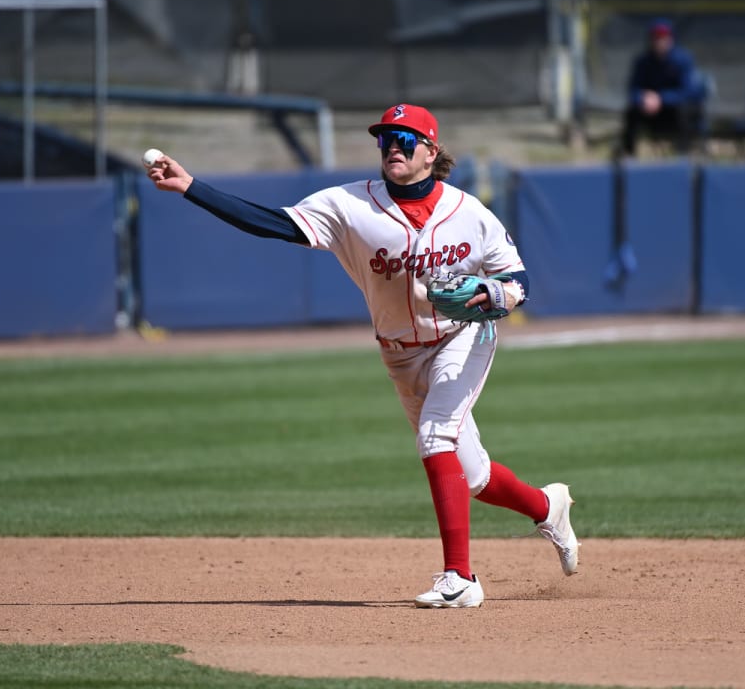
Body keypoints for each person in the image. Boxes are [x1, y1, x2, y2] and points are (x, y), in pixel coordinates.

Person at [144, 103, 580, 609]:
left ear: (431, 151)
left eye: (405, 139)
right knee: (473, 473)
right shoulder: (348, 206)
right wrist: (192, 187)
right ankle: (549, 508)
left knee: (436, 435)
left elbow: (518, 279)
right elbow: (272, 223)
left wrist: (496, 295)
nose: (393, 146)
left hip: (463, 337)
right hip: (400, 353)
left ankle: (460, 578)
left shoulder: (469, 212)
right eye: (385, 139)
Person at [620, 18, 709, 157]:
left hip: (677, 111)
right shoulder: (643, 62)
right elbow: (633, 90)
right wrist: (643, 98)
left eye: (663, 37)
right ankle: (628, 156)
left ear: (671, 39)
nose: (660, 41)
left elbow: (689, 92)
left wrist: (661, 98)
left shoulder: (683, 59)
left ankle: (682, 157)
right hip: (654, 113)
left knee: (684, 110)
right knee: (632, 112)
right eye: (656, 37)